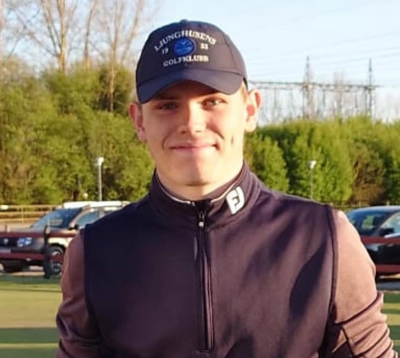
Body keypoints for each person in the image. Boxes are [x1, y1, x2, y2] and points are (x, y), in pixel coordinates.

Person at [56, 19, 397, 358]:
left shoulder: (323, 238)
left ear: (250, 111)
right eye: (167, 105)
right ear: (139, 121)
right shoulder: (95, 252)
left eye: (212, 101)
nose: (191, 123)